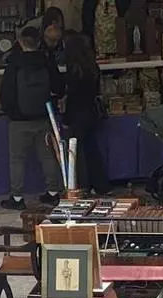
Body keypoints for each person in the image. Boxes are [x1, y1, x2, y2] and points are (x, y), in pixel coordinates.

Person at [0, 26, 65, 210]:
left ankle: (17, 198)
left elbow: (6, 94)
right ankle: (53, 193)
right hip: (44, 117)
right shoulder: (47, 61)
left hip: (19, 120)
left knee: (17, 159)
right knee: (47, 156)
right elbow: (59, 87)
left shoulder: (13, 64)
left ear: (20, 42)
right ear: (39, 41)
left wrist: (11, 112)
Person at [62, 33, 110, 195]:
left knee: (78, 152)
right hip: (91, 112)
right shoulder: (92, 67)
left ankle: (83, 185)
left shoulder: (74, 70)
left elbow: (73, 97)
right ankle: (100, 184)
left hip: (78, 114)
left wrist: (66, 118)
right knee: (91, 149)